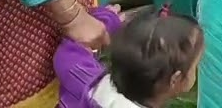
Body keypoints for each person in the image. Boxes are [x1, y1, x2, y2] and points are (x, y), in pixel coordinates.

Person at [56, 6, 204, 108]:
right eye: (195, 66)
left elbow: (70, 52)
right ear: (175, 79)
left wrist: (107, 20)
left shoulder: (82, 79)